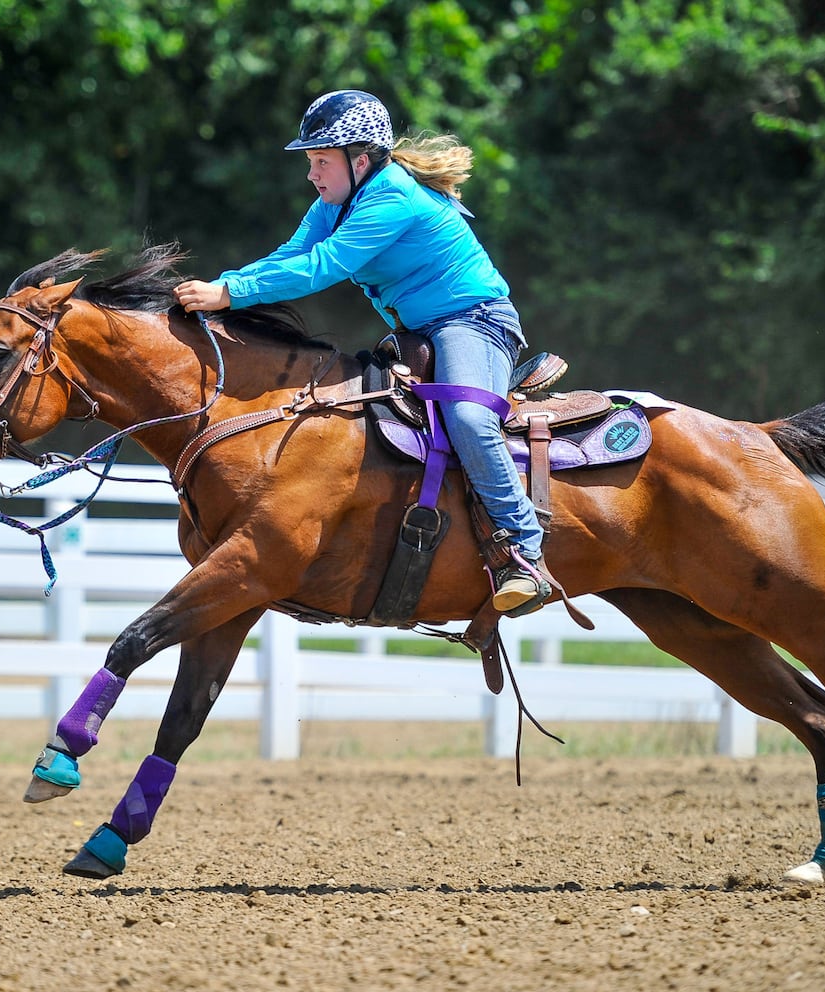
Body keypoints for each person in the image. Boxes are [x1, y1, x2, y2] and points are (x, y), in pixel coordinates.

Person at [174, 90, 550, 616]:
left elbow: (323, 266)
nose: (312, 174)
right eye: (310, 161)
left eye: (321, 160)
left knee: (468, 416)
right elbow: (293, 255)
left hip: (476, 323)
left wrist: (229, 294)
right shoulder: (336, 201)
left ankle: (524, 549)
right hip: (422, 329)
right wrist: (228, 284)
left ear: (361, 160)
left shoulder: (392, 195)